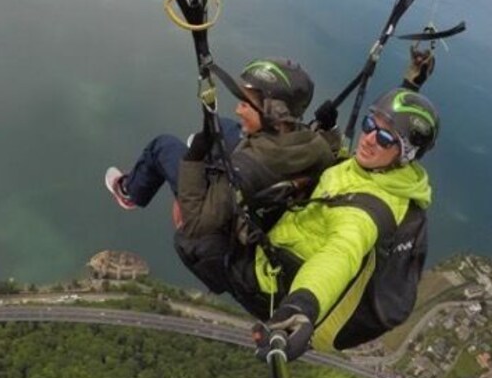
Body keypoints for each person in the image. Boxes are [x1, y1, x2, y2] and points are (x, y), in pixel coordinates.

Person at [177, 87, 439, 361]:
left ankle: (221, 282)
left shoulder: (363, 213)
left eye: (385, 138)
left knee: (192, 241)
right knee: (235, 142)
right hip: (294, 242)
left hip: (279, 287)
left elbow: (340, 254)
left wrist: (301, 306)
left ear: (406, 154)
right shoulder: (383, 173)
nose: (370, 138)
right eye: (369, 124)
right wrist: (331, 130)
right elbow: (344, 165)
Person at [104, 58, 333, 216]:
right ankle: (207, 151)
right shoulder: (313, 145)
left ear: (275, 115)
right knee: (224, 126)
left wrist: (194, 159)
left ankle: (130, 192)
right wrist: (328, 130)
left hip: (214, 204)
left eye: (246, 104)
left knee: (161, 146)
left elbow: (200, 220)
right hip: (268, 175)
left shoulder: (247, 168)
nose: (238, 109)